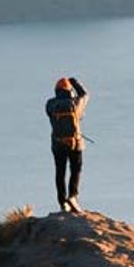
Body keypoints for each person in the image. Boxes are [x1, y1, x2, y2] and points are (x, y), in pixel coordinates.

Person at [45, 76, 89, 213]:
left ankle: (62, 202)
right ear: (70, 90)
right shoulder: (76, 102)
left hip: (57, 144)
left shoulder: (50, 104)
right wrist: (74, 82)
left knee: (60, 171)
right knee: (75, 169)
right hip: (75, 143)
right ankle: (73, 196)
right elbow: (85, 94)